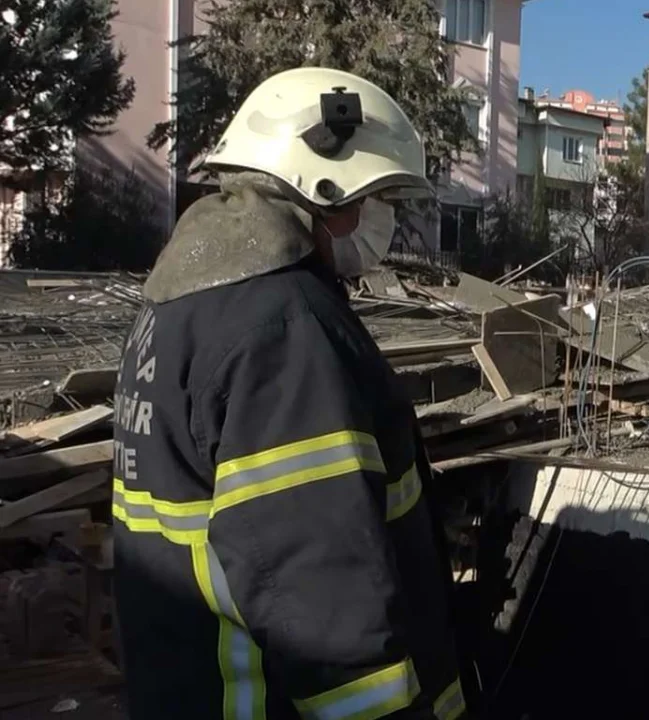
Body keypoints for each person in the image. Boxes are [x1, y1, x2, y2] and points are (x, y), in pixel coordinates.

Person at [111, 67, 467, 720]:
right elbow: (323, 591)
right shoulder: (282, 328)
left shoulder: (176, 305)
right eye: (373, 197)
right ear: (322, 187)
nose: (378, 219)